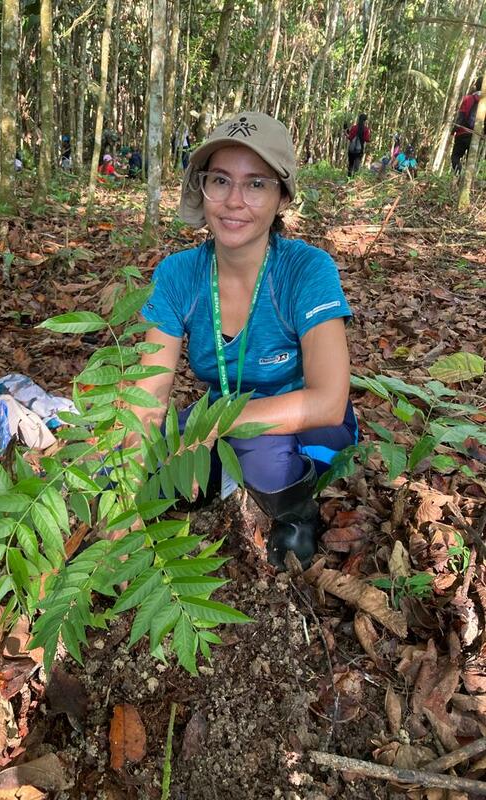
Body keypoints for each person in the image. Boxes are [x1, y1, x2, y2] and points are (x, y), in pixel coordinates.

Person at [134, 111, 357, 571]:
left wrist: (216, 427)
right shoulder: (179, 274)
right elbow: (148, 394)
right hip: (220, 415)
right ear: (202, 188)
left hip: (302, 422)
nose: (234, 201)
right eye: (220, 180)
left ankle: (296, 515)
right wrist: (126, 484)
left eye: (256, 184)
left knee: (260, 455)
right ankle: (216, 481)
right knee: (154, 479)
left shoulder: (306, 270)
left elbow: (328, 402)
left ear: (281, 197)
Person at [451, 79, 484, 175]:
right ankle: (469, 181)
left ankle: (459, 174)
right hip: (476, 136)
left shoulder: (467, 99)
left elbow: (460, 117)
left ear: (476, 86)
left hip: (462, 133)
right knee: (472, 162)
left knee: (455, 156)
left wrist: (453, 131)